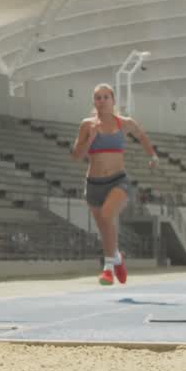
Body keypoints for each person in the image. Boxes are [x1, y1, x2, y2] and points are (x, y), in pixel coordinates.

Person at [70, 84, 159, 286]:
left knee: (107, 214)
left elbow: (142, 135)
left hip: (118, 181)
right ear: (94, 102)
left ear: (113, 100)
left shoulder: (124, 123)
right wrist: (90, 139)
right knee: (104, 229)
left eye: (105, 97)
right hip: (94, 184)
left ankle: (108, 268)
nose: (102, 101)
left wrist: (153, 156)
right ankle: (117, 257)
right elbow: (76, 156)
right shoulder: (87, 125)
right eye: (98, 98)